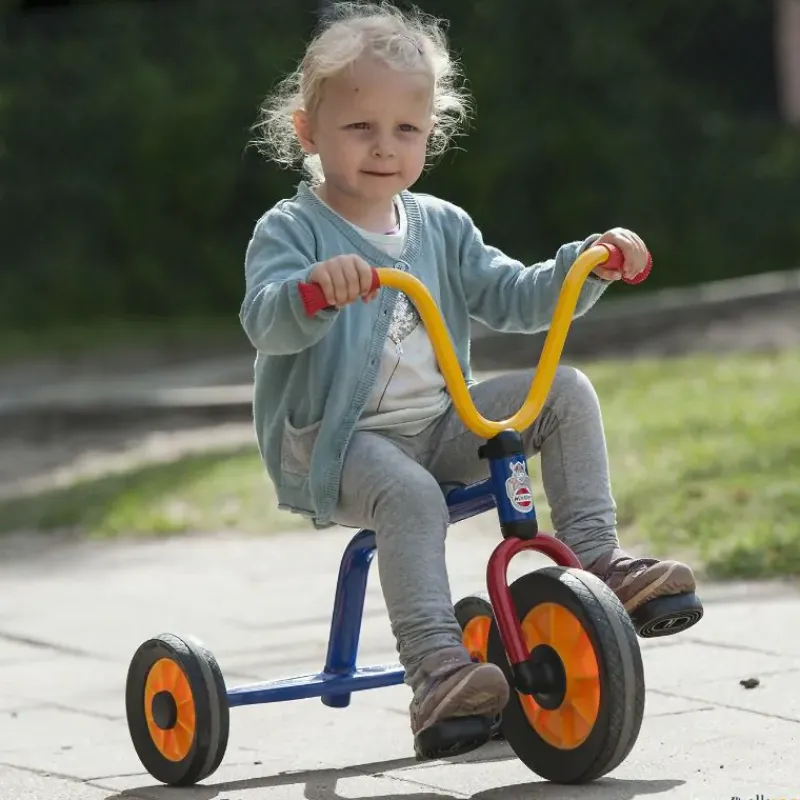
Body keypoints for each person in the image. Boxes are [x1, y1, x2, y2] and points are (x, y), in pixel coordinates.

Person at [240, 0, 696, 748]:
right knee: (411, 496)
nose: (383, 147)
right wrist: (313, 291)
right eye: (359, 126)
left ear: (431, 132)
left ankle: (598, 561)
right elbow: (265, 319)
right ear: (308, 131)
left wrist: (587, 265)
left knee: (565, 391)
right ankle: (437, 671)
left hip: (440, 426)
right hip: (336, 443)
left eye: (406, 129)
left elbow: (514, 296)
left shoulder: (441, 227)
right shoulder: (292, 230)